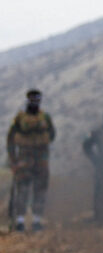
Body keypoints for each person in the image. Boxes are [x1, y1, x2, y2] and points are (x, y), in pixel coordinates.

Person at [6, 89, 56, 233]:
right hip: (24, 156)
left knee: (40, 188)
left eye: (37, 99)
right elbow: (11, 138)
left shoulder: (45, 117)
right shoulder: (20, 118)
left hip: (41, 157)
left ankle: (36, 220)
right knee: (22, 188)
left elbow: (51, 134)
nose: (34, 102)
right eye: (32, 99)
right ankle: (20, 221)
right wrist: (13, 159)